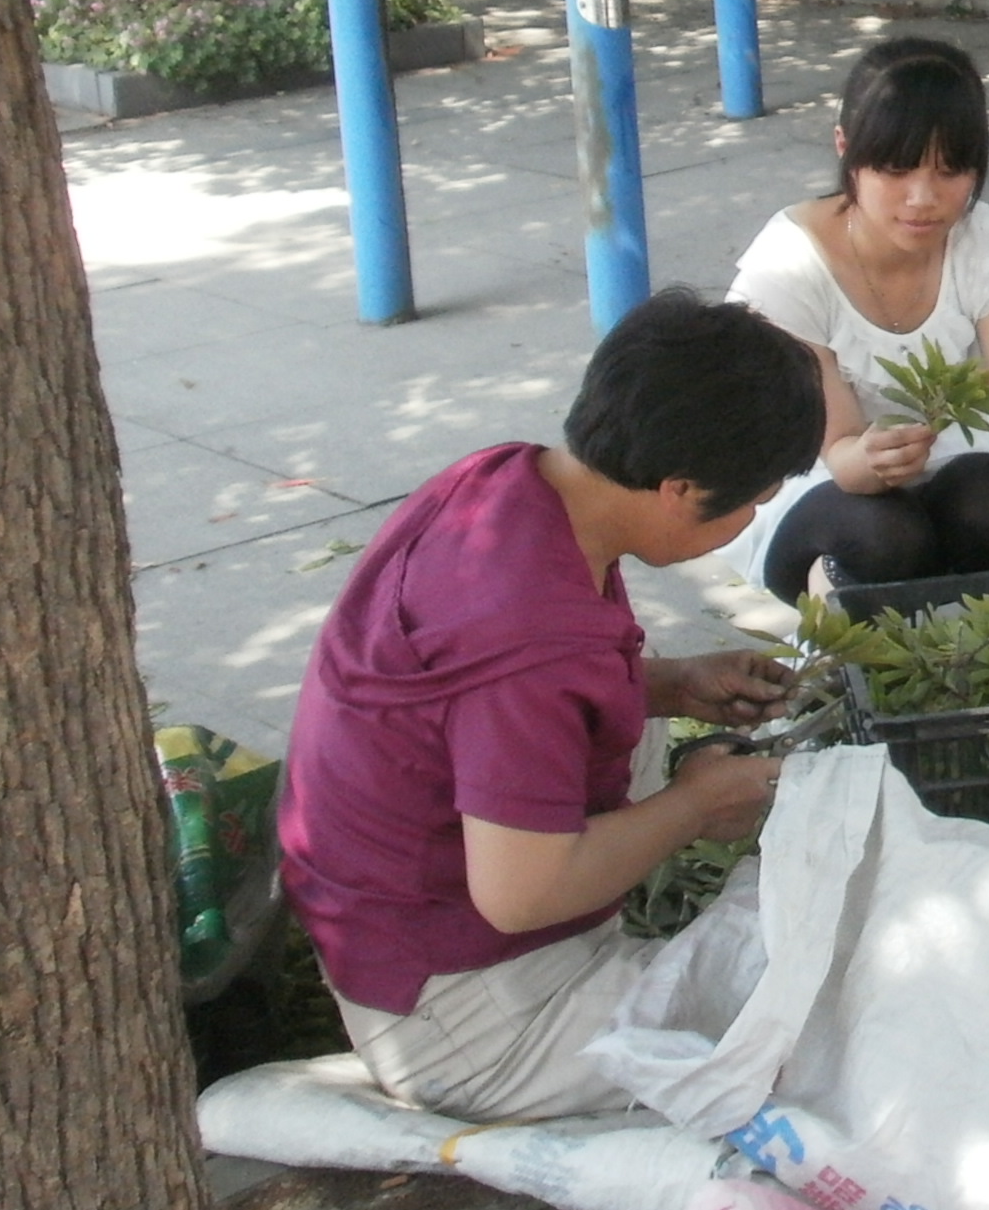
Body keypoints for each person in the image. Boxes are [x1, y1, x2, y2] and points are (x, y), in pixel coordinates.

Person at [276, 290, 828, 1118]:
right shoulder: (529, 638)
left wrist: (673, 683)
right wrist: (694, 805)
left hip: (388, 918)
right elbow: (520, 896)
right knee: (819, 1025)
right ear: (680, 489)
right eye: (752, 501)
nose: (751, 519)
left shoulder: (506, 481)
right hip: (464, 1014)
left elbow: (483, 699)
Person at [722, 37, 989, 601]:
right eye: (897, 168)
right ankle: (843, 650)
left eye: (950, 170)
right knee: (885, 537)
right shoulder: (789, 265)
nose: (922, 198)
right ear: (845, 149)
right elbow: (842, 459)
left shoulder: (982, 239)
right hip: (818, 481)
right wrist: (871, 456)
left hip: (947, 458)